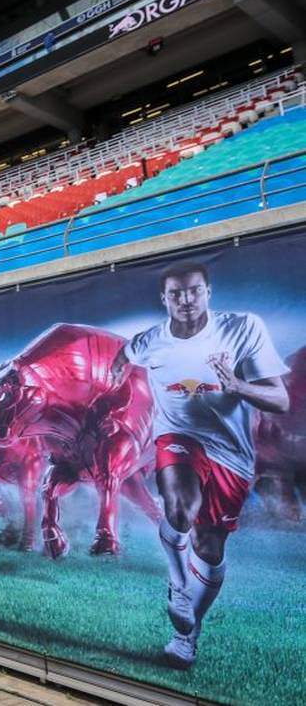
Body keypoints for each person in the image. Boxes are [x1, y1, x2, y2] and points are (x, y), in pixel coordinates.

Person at [113, 261, 289, 669]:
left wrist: (238, 386)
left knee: (209, 545)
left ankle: (186, 635)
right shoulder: (152, 340)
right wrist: (117, 372)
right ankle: (177, 582)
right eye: (176, 294)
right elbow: (126, 352)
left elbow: (279, 400)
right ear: (164, 299)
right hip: (178, 437)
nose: (186, 300)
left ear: (208, 292)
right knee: (179, 506)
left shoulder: (243, 328)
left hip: (231, 453)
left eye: (193, 291)